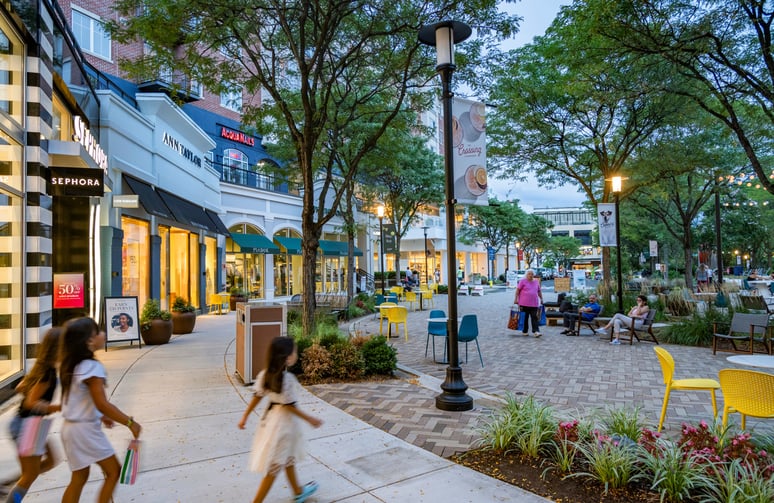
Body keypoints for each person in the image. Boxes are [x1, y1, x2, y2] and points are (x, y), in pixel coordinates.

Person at [59, 317, 142, 503]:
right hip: (85, 431)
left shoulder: (73, 366)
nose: (103, 334)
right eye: (98, 332)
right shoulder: (92, 368)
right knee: (114, 471)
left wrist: (101, 416)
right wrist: (130, 422)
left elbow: (82, 399)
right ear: (89, 341)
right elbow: (102, 403)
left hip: (70, 429)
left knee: (79, 478)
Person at [238, 337, 322, 503]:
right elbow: (289, 406)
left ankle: (298, 491)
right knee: (274, 466)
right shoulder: (287, 380)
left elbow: (257, 396)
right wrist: (310, 419)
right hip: (284, 425)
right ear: (287, 357)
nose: (296, 354)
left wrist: (245, 416)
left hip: (272, 420)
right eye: (294, 351)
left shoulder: (265, 375)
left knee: (288, 456)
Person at [4, 328, 62, 502]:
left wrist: (36, 396)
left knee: (51, 460)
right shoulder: (47, 374)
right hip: (27, 427)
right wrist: (56, 407)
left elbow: (20, 387)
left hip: (29, 424)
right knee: (29, 476)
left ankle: (8, 484)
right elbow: (30, 402)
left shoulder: (41, 367)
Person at [515, 269, 543, 337]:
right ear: (526, 275)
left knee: (534, 317)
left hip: (534, 303)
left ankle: (536, 331)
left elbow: (539, 291)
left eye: (532, 274)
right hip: (523, 303)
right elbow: (517, 290)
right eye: (529, 274)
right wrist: (516, 299)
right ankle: (525, 331)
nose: (530, 275)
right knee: (525, 317)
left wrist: (541, 299)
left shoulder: (536, 282)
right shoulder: (522, 281)